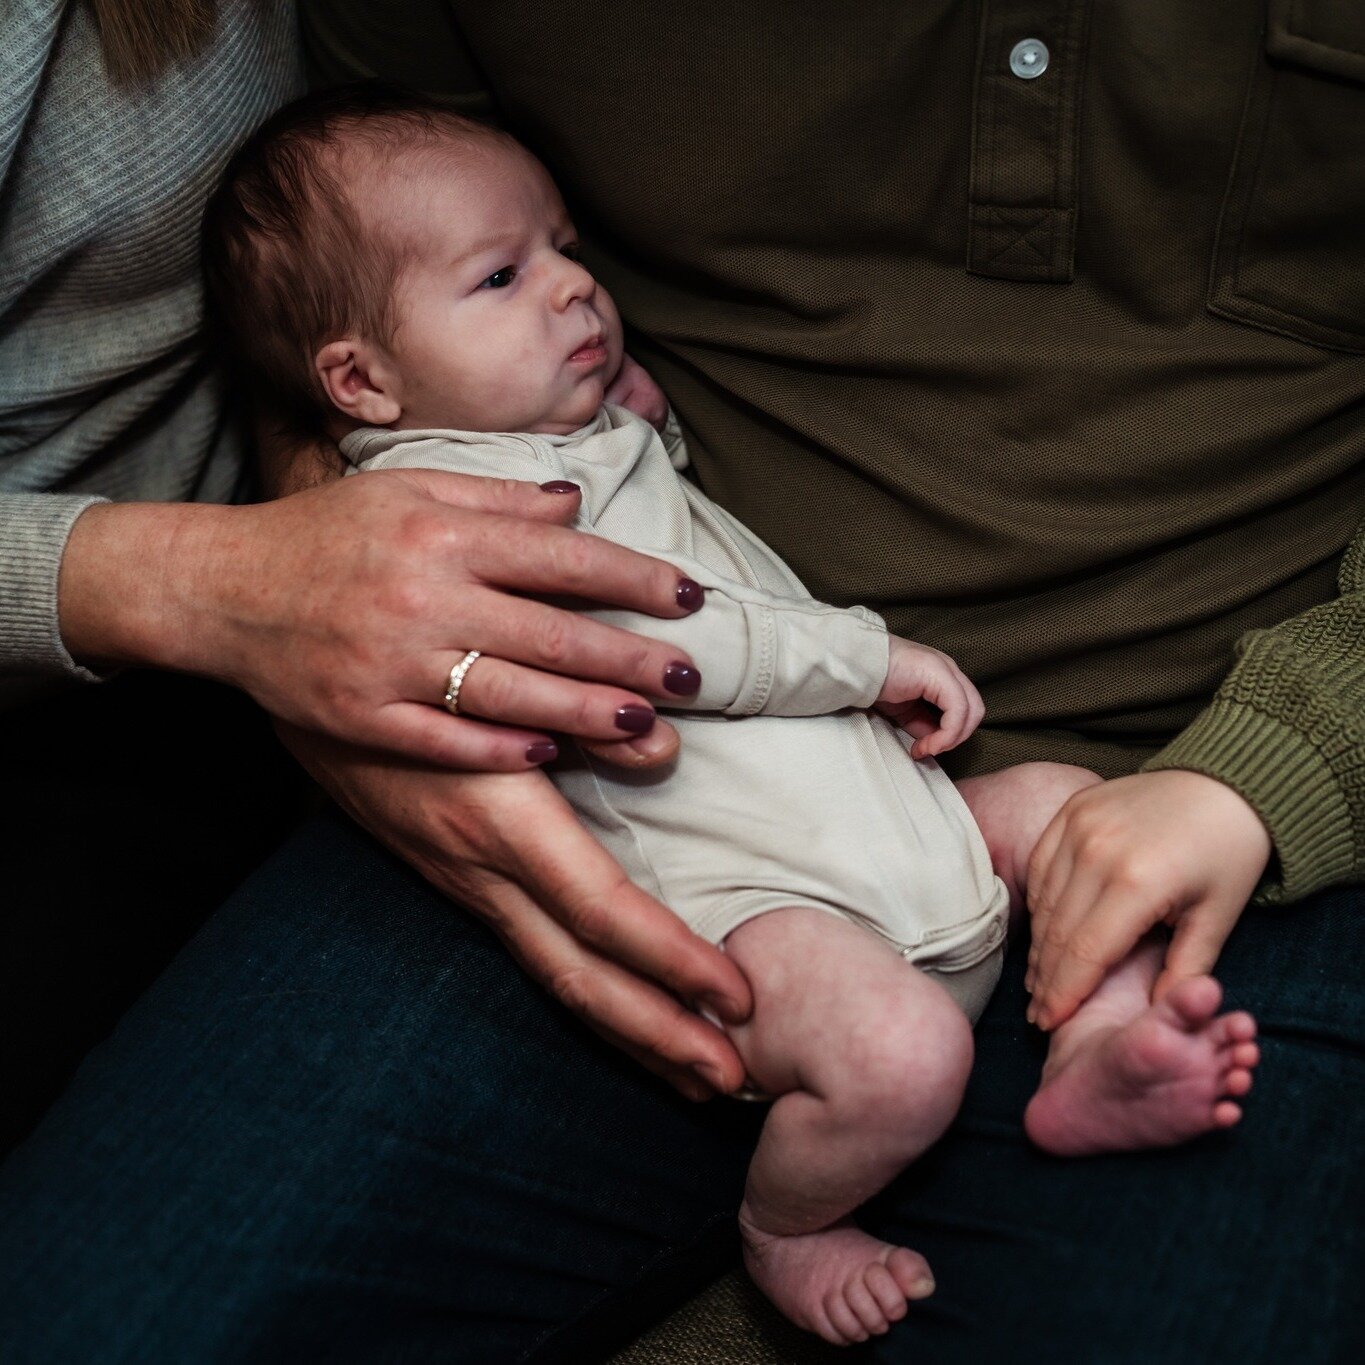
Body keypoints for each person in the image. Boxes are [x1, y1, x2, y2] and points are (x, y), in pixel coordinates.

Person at [0, 2, 1359, 1361]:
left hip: (1151, 762)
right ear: (365, 383)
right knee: (101, 1321)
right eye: (503, 278)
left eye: (568, 253)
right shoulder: (458, 492)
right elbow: (686, 629)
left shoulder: (592, 416)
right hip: (712, 858)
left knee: (1070, 820)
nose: (574, 290)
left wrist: (1265, 772)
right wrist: (301, 611)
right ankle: (795, 1222)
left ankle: (1097, 1044)